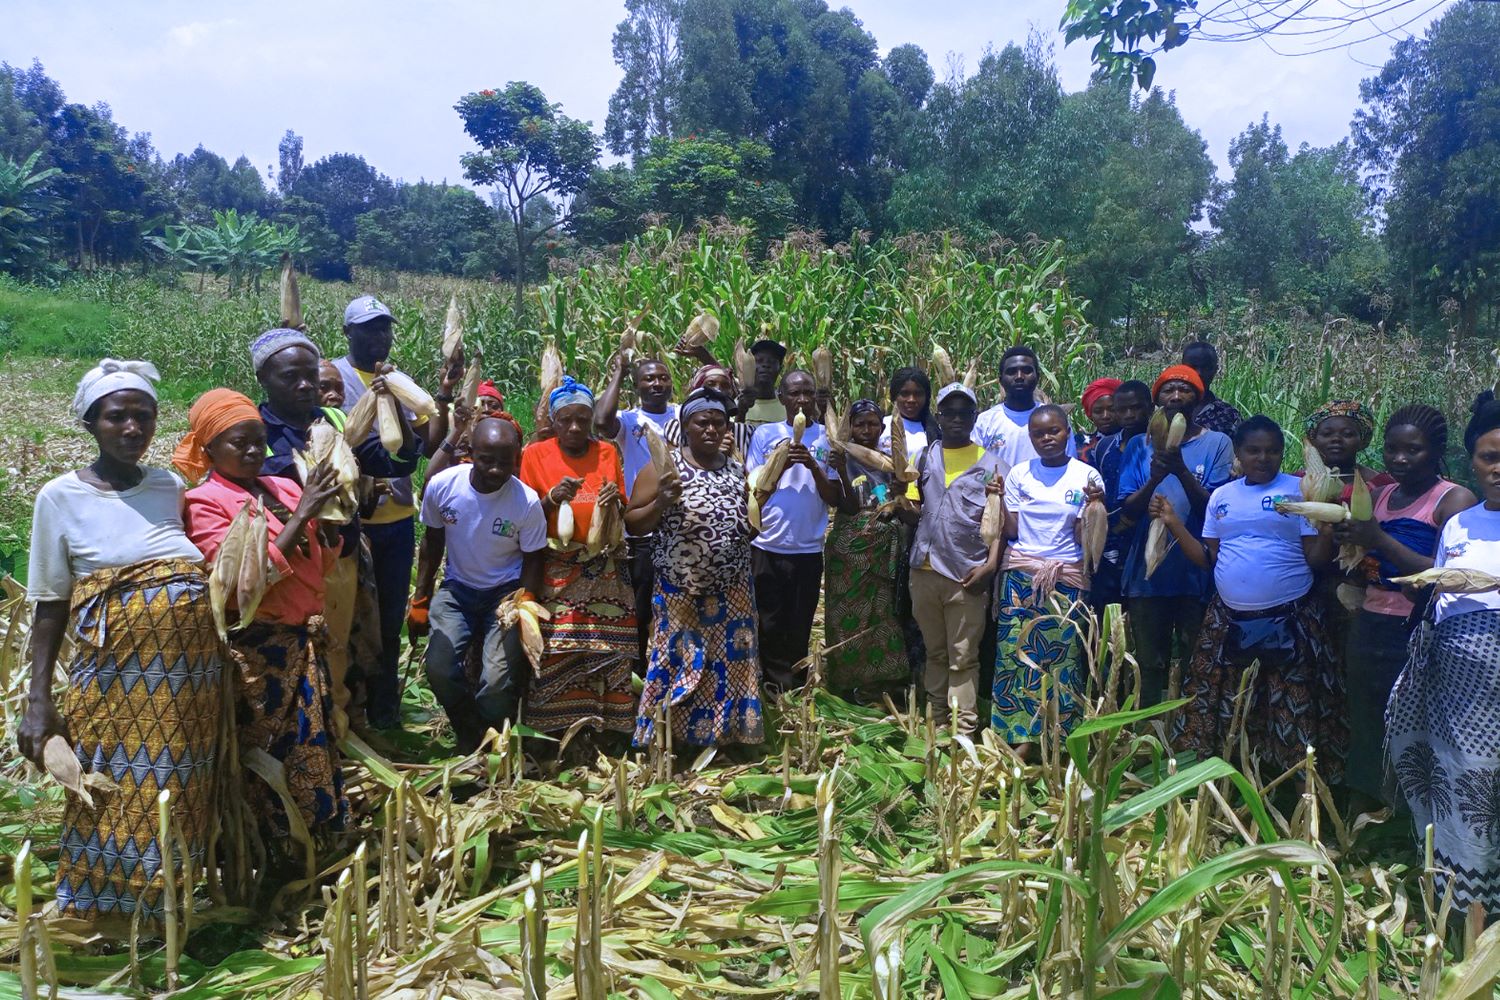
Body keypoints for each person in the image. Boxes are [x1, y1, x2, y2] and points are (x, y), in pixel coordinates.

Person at [20, 360, 220, 927]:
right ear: (90, 423)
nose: (132, 428)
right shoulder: (58, 497)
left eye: (144, 416)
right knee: (111, 786)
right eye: (116, 417)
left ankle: (171, 912)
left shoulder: (169, 485)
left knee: (180, 788)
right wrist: (39, 699)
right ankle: (100, 917)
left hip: (191, 679)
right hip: (115, 678)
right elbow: (51, 602)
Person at [177, 389, 348, 837]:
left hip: (305, 640)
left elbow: (320, 565)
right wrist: (301, 517)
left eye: (260, 440)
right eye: (241, 442)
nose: (255, 451)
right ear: (210, 448)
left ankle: (318, 835)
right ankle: (269, 847)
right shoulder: (205, 503)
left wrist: (328, 529)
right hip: (260, 652)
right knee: (270, 752)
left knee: (313, 741)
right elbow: (236, 589)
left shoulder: (286, 487)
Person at [251, 327, 421, 738]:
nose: (305, 385)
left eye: (310, 374)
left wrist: (392, 403)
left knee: (340, 652)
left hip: (340, 560)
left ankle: (340, 737)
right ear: (263, 381)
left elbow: (395, 462)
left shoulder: (335, 419)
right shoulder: (255, 432)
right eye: (291, 377)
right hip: (288, 565)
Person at [1158, 416, 1344, 779]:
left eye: (1273, 450)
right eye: (1254, 451)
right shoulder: (1223, 497)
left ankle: (1293, 786)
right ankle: (1228, 775)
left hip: (1292, 618)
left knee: (1290, 705)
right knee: (1228, 702)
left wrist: (1327, 528)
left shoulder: (1300, 491)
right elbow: (1209, 559)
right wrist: (1174, 523)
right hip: (1228, 619)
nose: (1264, 458)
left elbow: (1316, 560)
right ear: (1239, 455)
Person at [1386, 392, 1500, 916]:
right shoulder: (1460, 523)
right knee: (1457, 778)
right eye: (1489, 457)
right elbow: (1438, 588)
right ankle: (1461, 905)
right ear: (1472, 461)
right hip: (1453, 679)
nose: (1498, 469)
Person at [1334, 406, 1474, 807]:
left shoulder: (1452, 499)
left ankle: (1412, 815)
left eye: (1412, 450)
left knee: (1414, 722)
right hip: (1371, 621)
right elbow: (1364, 563)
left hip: (1420, 629)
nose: (1399, 459)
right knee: (1365, 717)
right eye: (1391, 449)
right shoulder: (1379, 495)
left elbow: (1450, 573)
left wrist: (1377, 538)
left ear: (1435, 452)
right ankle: (1364, 807)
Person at [626, 388, 765, 748]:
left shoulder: (737, 469)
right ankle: (666, 737)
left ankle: (727, 735)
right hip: (680, 589)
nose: (711, 429)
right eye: (702, 422)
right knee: (678, 660)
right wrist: (661, 501)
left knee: (731, 663)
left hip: (732, 589)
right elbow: (633, 523)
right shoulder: (664, 469)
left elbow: (747, 522)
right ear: (685, 426)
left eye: (719, 423)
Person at [413, 418, 547, 752]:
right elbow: (431, 543)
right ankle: (472, 732)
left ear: (517, 458)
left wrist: (524, 604)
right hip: (457, 589)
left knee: (498, 682)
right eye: (488, 459)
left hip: (504, 594)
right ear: (471, 453)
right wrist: (420, 599)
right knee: (440, 669)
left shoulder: (525, 502)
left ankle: (488, 745)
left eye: (507, 461)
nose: (497, 469)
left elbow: (534, 559)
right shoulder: (443, 486)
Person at [518, 377, 638, 744]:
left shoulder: (606, 452)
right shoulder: (534, 455)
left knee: (608, 649)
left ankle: (606, 730)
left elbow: (621, 503)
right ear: (553, 423)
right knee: (558, 649)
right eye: (566, 420)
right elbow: (524, 514)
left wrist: (613, 501)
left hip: (605, 565)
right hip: (556, 566)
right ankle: (554, 732)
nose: (575, 427)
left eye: (583, 420)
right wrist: (553, 500)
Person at [1117, 365, 1235, 704]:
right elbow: (1127, 509)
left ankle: (1188, 733)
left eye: (1185, 390)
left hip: (1195, 572)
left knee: (1195, 660)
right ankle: (1146, 734)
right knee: (1148, 661)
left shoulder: (1217, 443)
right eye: (1168, 390)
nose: (1176, 396)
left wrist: (1180, 469)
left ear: (1197, 398)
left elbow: (1215, 507)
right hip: (1147, 574)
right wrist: (1154, 479)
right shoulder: (1140, 445)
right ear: (1158, 400)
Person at [991, 405, 1106, 745]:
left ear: (1067, 432)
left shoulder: (1087, 478)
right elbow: (1012, 529)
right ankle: (1015, 735)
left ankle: (1057, 738)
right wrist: (995, 502)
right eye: (1039, 434)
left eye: (1054, 431)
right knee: (1015, 657)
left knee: (1062, 660)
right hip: (1021, 576)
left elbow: (1088, 540)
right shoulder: (1020, 475)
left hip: (1065, 579)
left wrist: (1095, 507)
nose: (1047, 439)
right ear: (1031, 438)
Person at [902, 383, 1004, 733]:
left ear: (975, 417)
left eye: (965, 413)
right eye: (949, 412)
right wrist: (895, 498)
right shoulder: (923, 457)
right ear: (939, 416)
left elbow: (999, 523)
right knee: (936, 652)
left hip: (966, 573)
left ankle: (964, 728)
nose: (957, 419)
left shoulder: (993, 466)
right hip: (924, 570)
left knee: (963, 657)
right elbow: (915, 507)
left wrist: (990, 566)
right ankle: (938, 721)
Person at [747, 369, 847, 693]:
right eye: (794, 393)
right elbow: (754, 488)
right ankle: (771, 687)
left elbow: (833, 496)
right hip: (768, 544)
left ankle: (795, 685)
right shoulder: (766, 435)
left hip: (807, 549)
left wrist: (813, 465)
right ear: (782, 398)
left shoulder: (826, 439)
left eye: (808, 392)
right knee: (769, 621)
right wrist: (781, 465)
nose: (802, 399)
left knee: (799, 623)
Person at [596, 355, 680, 671]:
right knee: (640, 609)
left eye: (662, 377)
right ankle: (637, 672)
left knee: (675, 608)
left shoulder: (685, 415)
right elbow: (602, 422)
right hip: (642, 528)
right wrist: (618, 370)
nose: (657, 383)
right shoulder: (630, 421)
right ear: (637, 385)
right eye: (648, 379)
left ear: (672, 383)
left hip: (679, 528)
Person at [823, 399, 908, 702]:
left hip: (883, 547)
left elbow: (904, 502)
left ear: (882, 428)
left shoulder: (891, 460)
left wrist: (900, 491)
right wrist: (842, 470)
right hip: (850, 549)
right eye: (860, 424)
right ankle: (847, 681)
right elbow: (843, 505)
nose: (866, 430)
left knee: (882, 615)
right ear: (850, 427)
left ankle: (882, 682)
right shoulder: (839, 458)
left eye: (873, 423)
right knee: (845, 614)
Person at [1090, 379, 1152, 612]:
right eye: (1122, 409)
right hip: (1111, 539)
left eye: (1135, 408)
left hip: (1144, 535)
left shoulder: (1160, 445)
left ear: (1150, 408)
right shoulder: (1104, 447)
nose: (1129, 415)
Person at [975, 345, 1076, 470]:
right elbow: (975, 470)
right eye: (1011, 372)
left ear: (1037, 377)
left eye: (1026, 371)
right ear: (1000, 380)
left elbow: (1071, 468)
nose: (1019, 376)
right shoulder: (985, 421)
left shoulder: (1055, 419)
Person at [1304, 400, 1393, 500]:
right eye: (1327, 434)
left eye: (1347, 434)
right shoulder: (1298, 480)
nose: (1336, 439)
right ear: (1314, 440)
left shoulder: (1381, 485)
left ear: (1362, 441)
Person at [665, 364, 754, 455]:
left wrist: (732, 454)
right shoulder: (677, 428)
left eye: (725, 385)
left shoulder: (745, 432)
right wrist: (711, 450)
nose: (718, 389)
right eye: (711, 384)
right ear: (697, 388)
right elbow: (672, 466)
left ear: (732, 392)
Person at [1182, 341, 1242, 434]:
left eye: (1205, 368)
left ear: (1215, 370)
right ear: (1181, 368)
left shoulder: (1229, 415)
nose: (1199, 373)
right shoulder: (1167, 408)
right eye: (1193, 367)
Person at [880, 366, 938, 455]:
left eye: (918, 394)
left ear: (927, 397)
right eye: (904, 394)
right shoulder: (881, 426)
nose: (911, 400)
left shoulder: (935, 432)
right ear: (894, 396)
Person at [740, 339, 789, 431]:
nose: (765, 365)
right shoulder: (737, 404)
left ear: (780, 369)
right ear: (749, 365)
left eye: (772, 362)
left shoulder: (788, 407)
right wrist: (741, 412)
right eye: (759, 361)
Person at [1077, 377, 1121, 464]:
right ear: (1090, 414)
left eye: (1112, 409)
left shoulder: (1132, 443)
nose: (1105, 416)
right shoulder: (1079, 443)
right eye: (1098, 411)